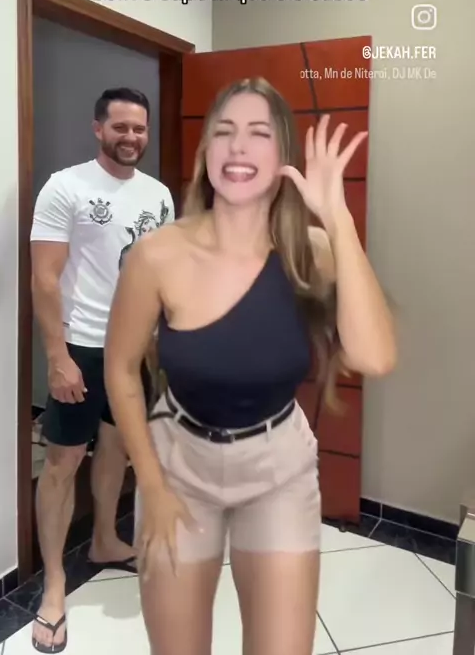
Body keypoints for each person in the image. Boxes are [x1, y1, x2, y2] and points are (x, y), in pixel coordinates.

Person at [104, 77, 397, 655]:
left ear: (283, 155)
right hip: (178, 463)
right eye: (225, 132)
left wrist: (338, 220)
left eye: (258, 133)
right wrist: (152, 485)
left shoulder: (312, 251)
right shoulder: (156, 254)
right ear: (205, 152)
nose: (238, 146)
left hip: (278, 467)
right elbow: (119, 369)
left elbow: (375, 356)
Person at [30, 87, 174, 653]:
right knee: (62, 462)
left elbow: (162, 272)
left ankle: (106, 541)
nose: (131, 137)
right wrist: (57, 357)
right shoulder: (66, 187)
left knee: (116, 448)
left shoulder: (158, 195)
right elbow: (45, 278)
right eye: (120, 127)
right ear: (98, 128)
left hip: (135, 350)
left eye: (139, 128)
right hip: (82, 348)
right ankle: (54, 588)